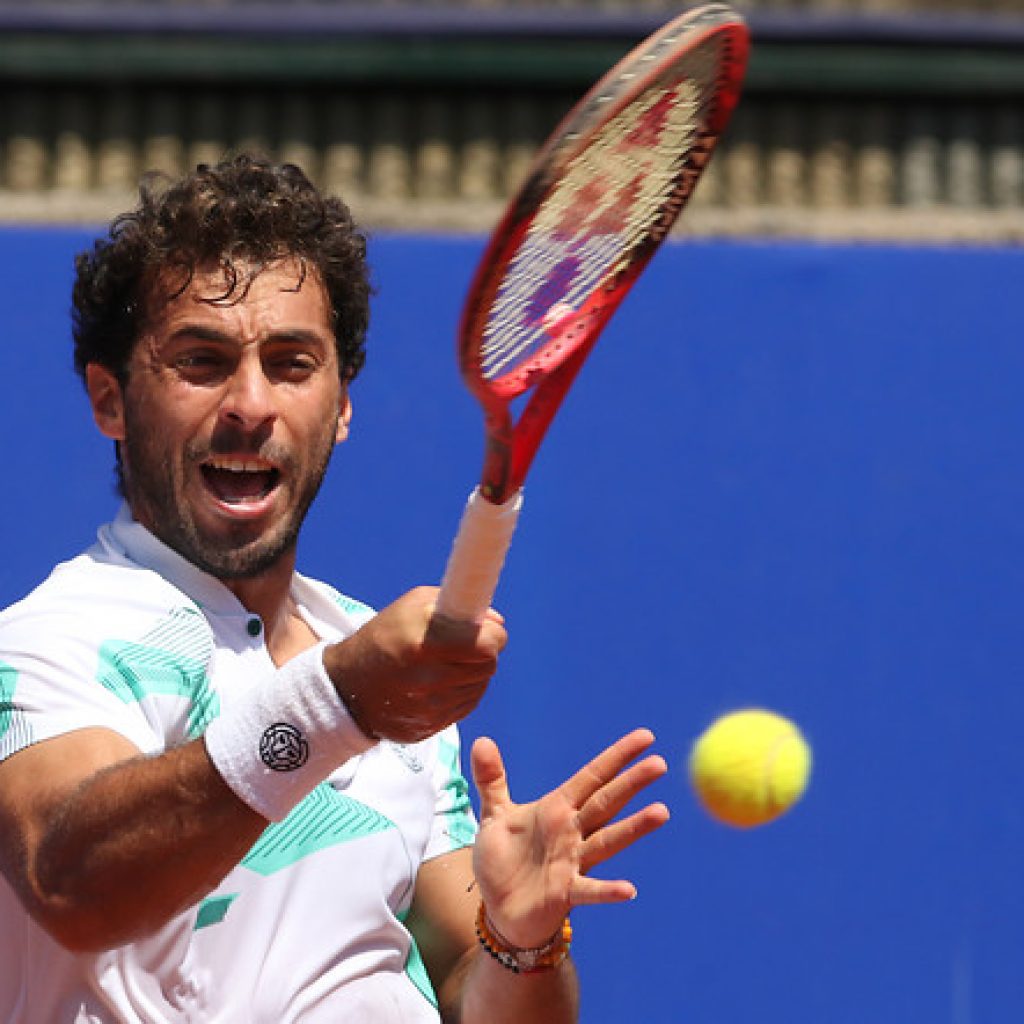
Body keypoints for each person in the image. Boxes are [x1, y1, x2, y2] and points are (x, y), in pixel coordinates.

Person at [0, 155, 669, 1023]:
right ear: (111, 401)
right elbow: (73, 882)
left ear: (340, 406)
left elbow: (477, 982)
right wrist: (339, 702)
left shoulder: (373, 661)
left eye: (291, 363)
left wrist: (521, 936)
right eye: (201, 361)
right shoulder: (49, 639)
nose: (250, 403)